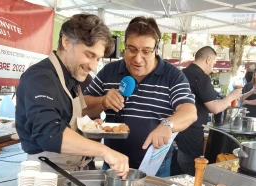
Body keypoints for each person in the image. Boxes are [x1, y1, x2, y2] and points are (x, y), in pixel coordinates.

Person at [15, 14, 129, 186]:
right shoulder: (39, 78)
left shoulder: (72, 76)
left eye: (98, 58)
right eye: (89, 54)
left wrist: (101, 105)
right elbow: (50, 133)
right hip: (48, 176)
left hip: (73, 173)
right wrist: (105, 150)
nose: (92, 65)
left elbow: (75, 112)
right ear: (66, 41)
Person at [83, 16, 197, 176]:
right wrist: (102, 101)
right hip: (113, 164)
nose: (137, 58)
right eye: (132, 49)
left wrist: (167, 125)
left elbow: (189, 112)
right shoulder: (110, 71)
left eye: (146, 51)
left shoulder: (173, 76)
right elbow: (82, 107)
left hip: (156, 167)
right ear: (124, 47)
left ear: (156, 49)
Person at [171, 46, 242, 176]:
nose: (213, 67)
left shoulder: (180, 74)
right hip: (191, 132)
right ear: (208, 59)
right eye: (214, 63)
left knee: (175, 169)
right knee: (190, 172)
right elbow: (215, 107)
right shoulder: (201, 77)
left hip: (175, 128)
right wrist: (232, 96)